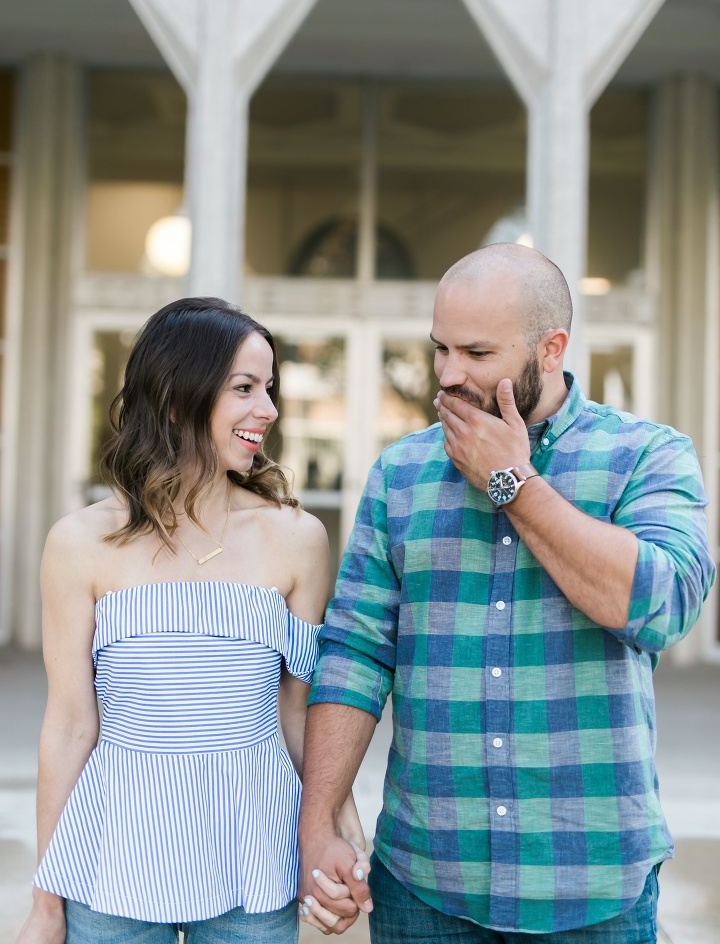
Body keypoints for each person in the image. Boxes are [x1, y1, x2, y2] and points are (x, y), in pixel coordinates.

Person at [297, 244, 715, 943]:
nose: (449, 374)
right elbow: (354, 655)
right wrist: (318, 825)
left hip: (593, 888)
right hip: (426, 888)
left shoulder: (648, 455)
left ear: (550, 350)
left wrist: (513, 483)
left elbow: (661, 606)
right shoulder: (401, 474)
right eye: (440, 350)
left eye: (477, 353)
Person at [16, 297, 366, 944]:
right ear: (177, 398)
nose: (269, 409)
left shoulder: (297, 539)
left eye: (270, 388)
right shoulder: (79, 543)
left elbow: (300, 709)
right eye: (244, 388)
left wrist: (338, 826)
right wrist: (46, 898)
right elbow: (68, 726)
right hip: (112, 857)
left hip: (251, 854)